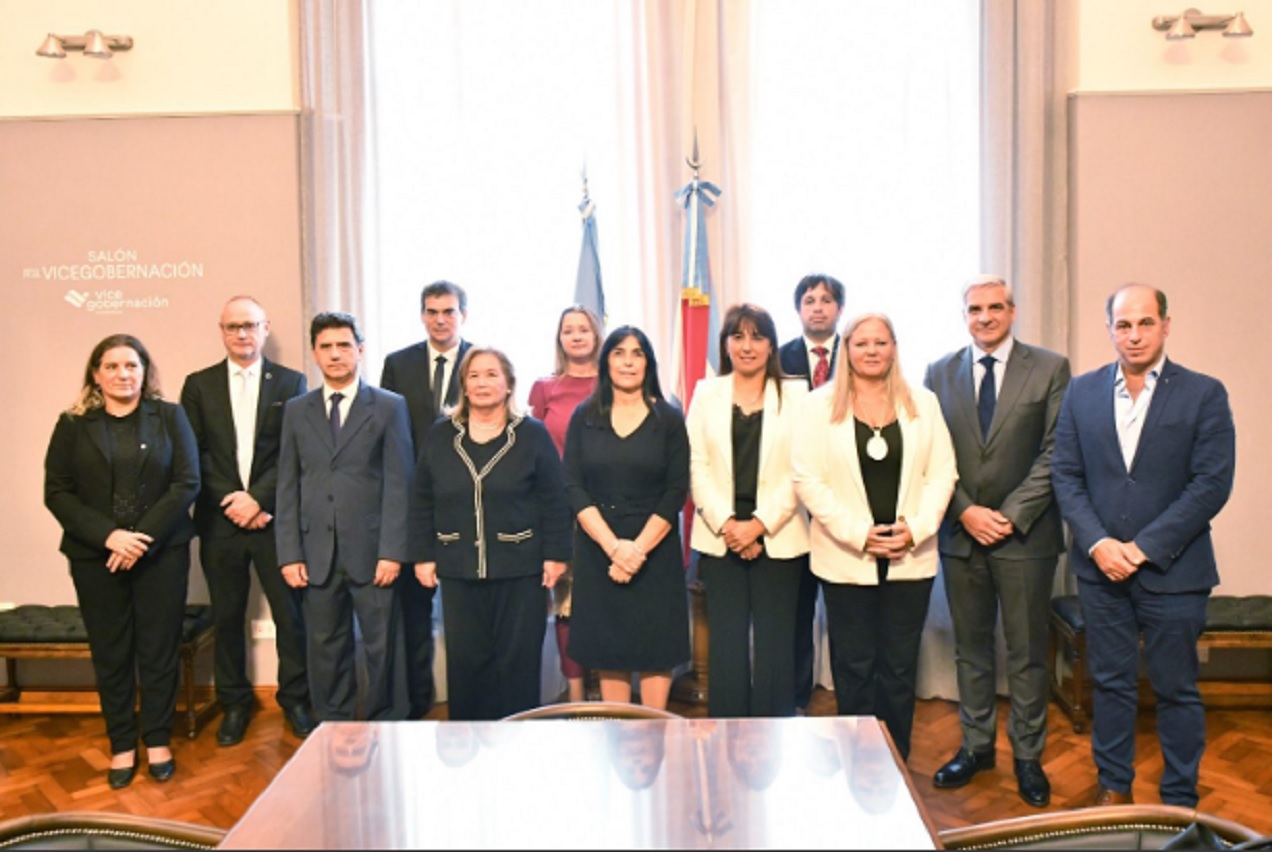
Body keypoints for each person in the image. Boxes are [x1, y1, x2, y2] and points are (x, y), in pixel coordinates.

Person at [1052, 283, 1235, 808]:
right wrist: (1098, 543)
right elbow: (1066, 476)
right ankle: (1114, 787)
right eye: (1123, 325)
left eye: (1145, 323)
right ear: (1110, 330)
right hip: (1101, 571)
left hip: (1174, 572)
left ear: (1166, 325)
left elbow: (1211, 484)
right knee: (1110, 684)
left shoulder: (1204, 393)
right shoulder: (1081, 392)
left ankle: (1179, 799)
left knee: (1176, 688)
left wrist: (1143, 548)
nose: (1134, 335)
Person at [923, 276, 1070, 808]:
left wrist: (1007, 516)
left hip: (1025, 537)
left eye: (994, 308)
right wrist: (966, 511)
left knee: (1028, 653)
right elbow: (931, 453)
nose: (984, 317)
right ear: (964, 315)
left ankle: (1028, 757)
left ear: (1012, 311)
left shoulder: (1050, 368)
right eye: (974, 309)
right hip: (962, 534)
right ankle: (976, 747)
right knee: (971, 651)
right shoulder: (938, 372)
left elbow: (1056, 451)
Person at [791, 313, 956, 761]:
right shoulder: (817, 406)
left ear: (894, 348)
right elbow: (807, 479)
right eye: (861, 343)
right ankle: (858, 759)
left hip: (909, 557)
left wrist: (915, 530)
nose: (871, 351)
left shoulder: (924, 403)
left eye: (880, 342)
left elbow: (943, 474)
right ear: (846, 349)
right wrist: (859, 535)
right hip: (845, 558)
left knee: (899, 669)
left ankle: (895, 760)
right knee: (854, 667)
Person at [44, 334, 200, 789]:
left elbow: (187, 482)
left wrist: (139, 540)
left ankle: (157, 740)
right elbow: (57, 492)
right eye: (111, 366)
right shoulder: (73, 424)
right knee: (111, 653)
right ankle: (122, 745)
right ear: (96, 374)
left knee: (158, 650)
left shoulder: (170, 417)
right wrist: (110, 537)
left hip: (161, 553)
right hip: (95, 556)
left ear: (144, 372)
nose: (122, 374)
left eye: (131, 365)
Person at [411, 347, 572, 720]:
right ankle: (471, 742)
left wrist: (556, 554)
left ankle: (518, 738)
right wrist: (423, 555)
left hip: (521, 569)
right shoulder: (441, 435)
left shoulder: (532, 434)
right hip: (458, 567)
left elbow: (554, 498)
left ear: (508, 384)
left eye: (491, 374)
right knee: (467, 662)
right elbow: (421, 499)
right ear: (464, 386)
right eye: (474, 376)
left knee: (518, 661)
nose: (482, 383)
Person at [180, 296, 313, 746]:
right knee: (228, 617)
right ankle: (235, 703)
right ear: (221, 331)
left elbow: (294, 453)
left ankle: (295, 699)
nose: (242, 333)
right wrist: (233, 502)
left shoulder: (291, 383)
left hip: (274, 520)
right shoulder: (198, 385)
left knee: (290, 617)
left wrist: (258, 500)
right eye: (233, 326)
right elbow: (194, 454)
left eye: (250, 325)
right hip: (220, 523)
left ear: (265, 328)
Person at [276, 311, 414, 722]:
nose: (335, 355)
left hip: (373, 551)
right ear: (315, 354)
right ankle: (332, 725)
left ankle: (386, 724)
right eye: (326, 347)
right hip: (316, 551)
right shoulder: (297, 410)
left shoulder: (389, 406)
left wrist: (393, 551)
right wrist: (289, 553)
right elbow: (287, 484)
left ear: (360, 350)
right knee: (325, 645)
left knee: (382, 645)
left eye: (343, 345)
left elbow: (400, 484)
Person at [687, 304, 809, 718]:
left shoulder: (797, 394)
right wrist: (729, 525)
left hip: (779, 531)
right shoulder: (706, 393)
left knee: (776, 644)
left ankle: (774, 733)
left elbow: (803, 469)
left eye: (757, 337)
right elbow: (696, 464)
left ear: (772, 345)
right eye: (737, 336)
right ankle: (728, 734)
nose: (747, 346)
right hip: (720, 533)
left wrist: (758, 525)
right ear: (725, 345)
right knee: (727, 643)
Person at [563, 326, 691, 711]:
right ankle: (617, 730)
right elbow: (573, 486)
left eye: (637, 353)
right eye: (619, 353)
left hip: (654, 548)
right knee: (609, 647)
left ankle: (655, 729)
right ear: (606, 362)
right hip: (599, 547)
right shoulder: (584, 417)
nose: (628, 362)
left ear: (648, 363)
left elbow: (676, 490)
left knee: (656, 648)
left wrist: (636, 551)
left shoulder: (669, 419)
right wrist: (615, 549)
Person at [381, 280, 473, 718]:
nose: (440, 320)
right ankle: (416, 703)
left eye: (449, 311)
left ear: (463, 316)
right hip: (412, 506)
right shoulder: (397, 364)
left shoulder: (480, 362)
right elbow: (386, 433)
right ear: (422, 315)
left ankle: (470, 704)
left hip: (465, 505)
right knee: (414, 615)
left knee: (465, 616)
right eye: (432, 312)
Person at [777, 273, 846, 714]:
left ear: (840, 308)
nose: (818, 307)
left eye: (826, 300)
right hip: (793, 507)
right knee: (796, 615)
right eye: (809, 300)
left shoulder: (860, 353)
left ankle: (851, 704)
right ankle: (796, 701)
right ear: (798, 309)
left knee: (847, 619)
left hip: (848, 505)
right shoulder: (777, 358)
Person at [527, 305, 602, 703]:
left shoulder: (615, 383)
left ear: (596, 335)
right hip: (559, 510)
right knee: (567, 604)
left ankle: (610, 690)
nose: (575, 336)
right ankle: (575, 696)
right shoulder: (544, 387)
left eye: (583, 329)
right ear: (559, 338)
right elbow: (533, 449)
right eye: (568, 330)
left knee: (607, 601)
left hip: (607, 508)